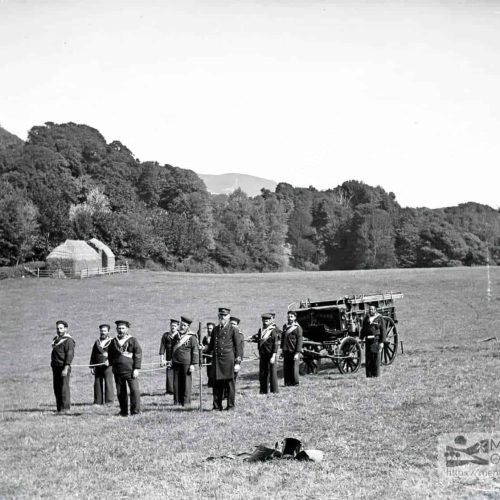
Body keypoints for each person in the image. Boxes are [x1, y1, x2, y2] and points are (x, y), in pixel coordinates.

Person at [205, 307, 243, 410]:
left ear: (229, 316)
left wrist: (237, 363)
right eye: (220, 315)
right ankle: (217, 406)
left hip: (228, 361)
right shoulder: (215, 330)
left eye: (224, 315)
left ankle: (230, 406)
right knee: (217, 385)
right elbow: (211, 346)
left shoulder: (233, 330)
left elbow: (238, 348)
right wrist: (202, 350)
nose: (222, 317)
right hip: (217, 361)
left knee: (230, 385)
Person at [108, 320, 142, 416]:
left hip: (130, 370)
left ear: (127, 329)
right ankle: (123, 411)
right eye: (119, 328)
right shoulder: (113, 341)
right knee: (120, 392)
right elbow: (110, 355)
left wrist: (136, 368)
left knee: (134, 391)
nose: (121, 330)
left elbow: (138, 354)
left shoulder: (133, 340)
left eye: (123, 328)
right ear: (116, 329)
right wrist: (111, 364)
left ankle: (135, 411)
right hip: (118, 371)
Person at [169, 316, 199, 407]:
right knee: (176, 383)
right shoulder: (176, 336)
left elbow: (195, 351)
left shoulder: (192, 337)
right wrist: (171, 360)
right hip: (176, 362)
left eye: (184, 325)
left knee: (186, 383)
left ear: (188, 326)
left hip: (186, 363)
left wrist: (193, 364)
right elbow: (172, 349)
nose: (182, 327)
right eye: (181, 325)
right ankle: (177, 401)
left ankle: (186, 402)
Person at [250, 313, 280, 394]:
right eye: (264, 320)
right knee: (263, 373)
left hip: (271, 354)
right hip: (263, 354)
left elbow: (275, 344)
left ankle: (274, 391)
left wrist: (273, 356)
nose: (265, 322)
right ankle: (263, 391)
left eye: (267, 320)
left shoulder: (273, 331)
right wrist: (253, 339)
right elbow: (261, 340)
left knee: (272, 373)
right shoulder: (261, 330)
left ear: (270, 321)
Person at [51, 320, 75, 413]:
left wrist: (66, 368)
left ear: (65, 329)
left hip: (63, 366)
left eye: (61, 328)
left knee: (64, 387)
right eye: (57, 328)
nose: (59, 330)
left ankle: (65, 408)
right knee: (56, 387)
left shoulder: (69, 340)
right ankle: (59, 408)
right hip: (55, 366)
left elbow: (70, 354)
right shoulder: (56, 339)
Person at [89, 324, 114, 405]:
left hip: (108, 366)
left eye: (105, 331)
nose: (103, 332)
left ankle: (109, 401)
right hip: (97, 365)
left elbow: (115, 354)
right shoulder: (97, 342)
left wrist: (110, 360)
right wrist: (92, 366)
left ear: (108, 332)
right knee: (97, 383)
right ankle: (97, 401)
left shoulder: (112, 341)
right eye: (101, 331)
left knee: (108, 383)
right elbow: (93, 354)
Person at [360, 304, 387, 378]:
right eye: (370, 309)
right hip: (368, 340)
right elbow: (363, 329)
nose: (371, 310)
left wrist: (382, 342)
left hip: (376, 340)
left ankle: (376, 375)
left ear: (375, 310)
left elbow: (383, 330)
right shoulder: (366, 318)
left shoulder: (379, 318)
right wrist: (362, 339)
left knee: (376, 358)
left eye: (372, 309)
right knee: (368, 359)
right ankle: (369, 375)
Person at [281, 310, 303, 386]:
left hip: (294, 350)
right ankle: (287, 382)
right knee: (286, 367)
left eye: (291, 316)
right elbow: (283, 338)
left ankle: (295, 382)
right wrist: (282, 350)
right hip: (286, 349)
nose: (289, 318)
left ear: (295, 318)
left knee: (294, 367)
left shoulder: (298, 328)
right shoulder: (285, 326)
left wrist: (297, 352)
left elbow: (299, 341)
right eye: (288, 316)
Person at [159, 319, 180, 397]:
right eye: (171, 325)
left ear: (178, 326)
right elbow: (162, 348)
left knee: (178, 375)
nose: (173, 327)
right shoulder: (166, 335)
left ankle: (177, 390)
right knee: (169, 374)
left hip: (178, 359)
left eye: (174, 326)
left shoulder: (179, 335)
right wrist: (162, 359)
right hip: (168, 359)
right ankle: (170, 391)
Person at [229, 316, 245, 383]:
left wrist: (237, 362)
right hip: (226, 358)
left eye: (234, 324)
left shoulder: (240, 335)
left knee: (232, 377)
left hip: (235, 358)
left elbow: (240, 350)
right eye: (231, 324)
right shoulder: (225, 334)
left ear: (237, 326)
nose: (232, 325)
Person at [202, 322, 215, 388]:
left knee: (214, 370)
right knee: (209, 370)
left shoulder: (216, 337)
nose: (209, 330)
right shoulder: (205, 338)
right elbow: (203, 348)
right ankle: (210, 383)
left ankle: (214, 383)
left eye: (211, 328)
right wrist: (203, 358)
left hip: (215, 356)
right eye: (208, 328)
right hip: (208, 356)